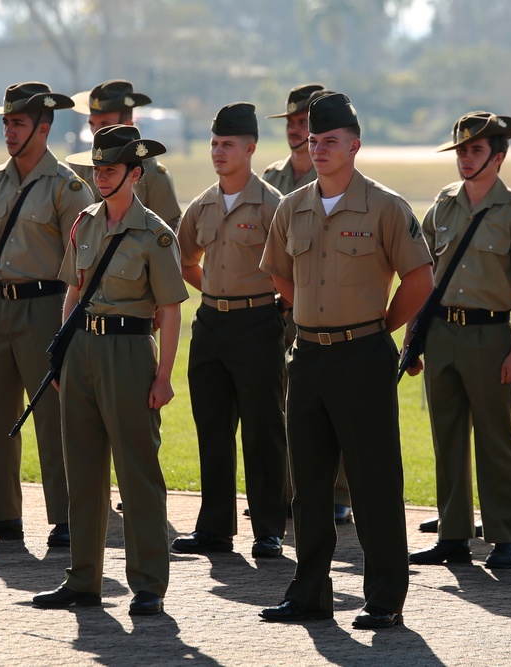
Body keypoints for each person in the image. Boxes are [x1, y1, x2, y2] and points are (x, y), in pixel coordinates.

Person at [259, 92, 433, 629]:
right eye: (313, 140)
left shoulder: (384, 206)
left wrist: (380, 327)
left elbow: (420, 280)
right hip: (308, 356)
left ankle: (385, 596)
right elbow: (277, 271)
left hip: (362, 355)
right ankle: (309, 591)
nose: (319, 148)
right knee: (308, 484)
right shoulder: (294, 206)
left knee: (373, 480)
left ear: (355, 145)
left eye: (329, 140)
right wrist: (309, 307)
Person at [32, 125, 187, 615]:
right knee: (82, 468)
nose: (101, 177)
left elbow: (169, 311)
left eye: (111, 169)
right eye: (97, 168)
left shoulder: (155, 234)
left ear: (134, 173)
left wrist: (163, 377)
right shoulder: (84, 222)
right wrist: (60, 354)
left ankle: (147, 584)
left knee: (138, 471)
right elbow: (73, 292)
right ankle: (83, 579)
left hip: (128, 352)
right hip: (81, 351)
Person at [0, 82, 93, 547]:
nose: (10, 132)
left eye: (19, 123)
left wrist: (70, 323)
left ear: (44, 128)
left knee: (52, 415)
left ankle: (68, 518)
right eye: (7, 123)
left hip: (45, 308)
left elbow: (83, 261)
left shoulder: (68, 186)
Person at [406, 111, 511, 570]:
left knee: (494, 438)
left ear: (498, 157)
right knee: (446, 437)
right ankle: (453, 535)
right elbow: (422, 278)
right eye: (462, 151)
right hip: (442, 332)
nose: (466, 159)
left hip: (490, 335)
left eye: (476, 150)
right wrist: (413, 338)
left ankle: (505, 536)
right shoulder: (441, 205)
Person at [171, 103, 287, 558]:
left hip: (258, 325)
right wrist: (217, 292)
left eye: (228, 145)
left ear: (251, 148)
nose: (218, 152)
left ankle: (268, 530)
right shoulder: (202, 205)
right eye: (214, 144)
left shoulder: (272, 205)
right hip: (211, 325)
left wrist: (263, 304)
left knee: (262, 431)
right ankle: (215, 529)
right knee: (212, 430)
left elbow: (291, 267)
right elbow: (184, 260)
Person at [264, 83, 353, 526]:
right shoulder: (271, 179)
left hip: (327, 310)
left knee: (334, 404)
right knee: (286, 404)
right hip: (280, 311)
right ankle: (291, 489)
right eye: (294, 123)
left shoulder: (338, 174)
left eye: (307, 123)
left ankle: (338, 492)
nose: (299, 130)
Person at [69, 80, 181, 229]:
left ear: (128, 125)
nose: (96, 131)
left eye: (104, 124)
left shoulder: (154, 174)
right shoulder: (79, 169)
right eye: (92, 124)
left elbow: (167, 237)